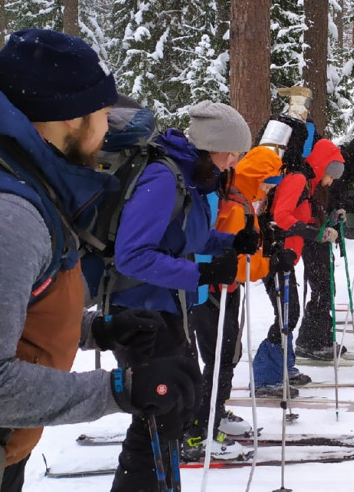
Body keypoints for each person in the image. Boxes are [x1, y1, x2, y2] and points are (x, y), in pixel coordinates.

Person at [0, 28, 200, 492]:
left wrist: (95, 328)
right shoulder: (0, 212)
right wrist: (121, 390)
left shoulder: (14, 178)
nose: (108, 127)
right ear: (73, 118)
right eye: (104, 113)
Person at [107, 100, 258, 490]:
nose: (234, 162)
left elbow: (187, 236)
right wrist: (201, 271)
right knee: (158, 412)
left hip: (167, 308)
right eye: (233, 153)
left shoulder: (190, 178)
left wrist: (230, 242)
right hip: (139, 311)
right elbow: (132, 255)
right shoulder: (163, 178)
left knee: (172, 408)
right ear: (214, 147)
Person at [183, 147, 284, 461]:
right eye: (268, 182)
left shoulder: (239, 197)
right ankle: (199, 430)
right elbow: (235, 260)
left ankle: (216, 412)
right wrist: (270, 265)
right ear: (256, 176)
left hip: (223, 289)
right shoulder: (235, 202)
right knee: (220, 358)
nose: (269, 189)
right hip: (215, 290)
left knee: (226, 355)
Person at [253, 139, 344, 395]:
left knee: (287, 312)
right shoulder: (297, 180)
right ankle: (265, 377)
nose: (332, 179)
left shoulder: (307, 185)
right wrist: (316, 234)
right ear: (321, 164)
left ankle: (284, 365)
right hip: (274, 254)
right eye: (333, 170)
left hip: (285, 255)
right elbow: (281, 217)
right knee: (287, 313)